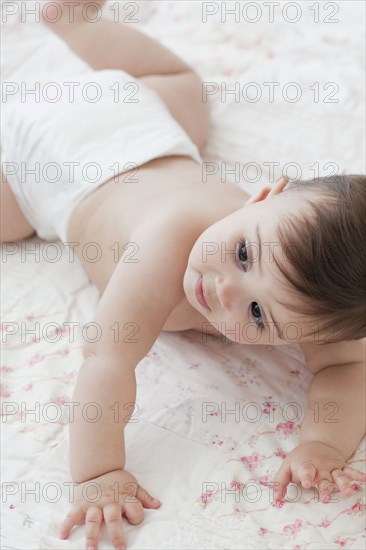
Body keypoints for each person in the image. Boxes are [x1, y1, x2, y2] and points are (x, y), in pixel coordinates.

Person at [1, 2, 365, 549]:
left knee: (179, 90)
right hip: (44, 156)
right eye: (244, 254)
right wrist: (99, 473)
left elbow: (348, 364)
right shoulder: (169, 242)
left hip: (142, 122)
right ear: (267, 193)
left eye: (259, 315)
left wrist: (323, 445)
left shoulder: (303, 289)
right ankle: (74, 23)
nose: (223, 290)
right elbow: (108, 357)